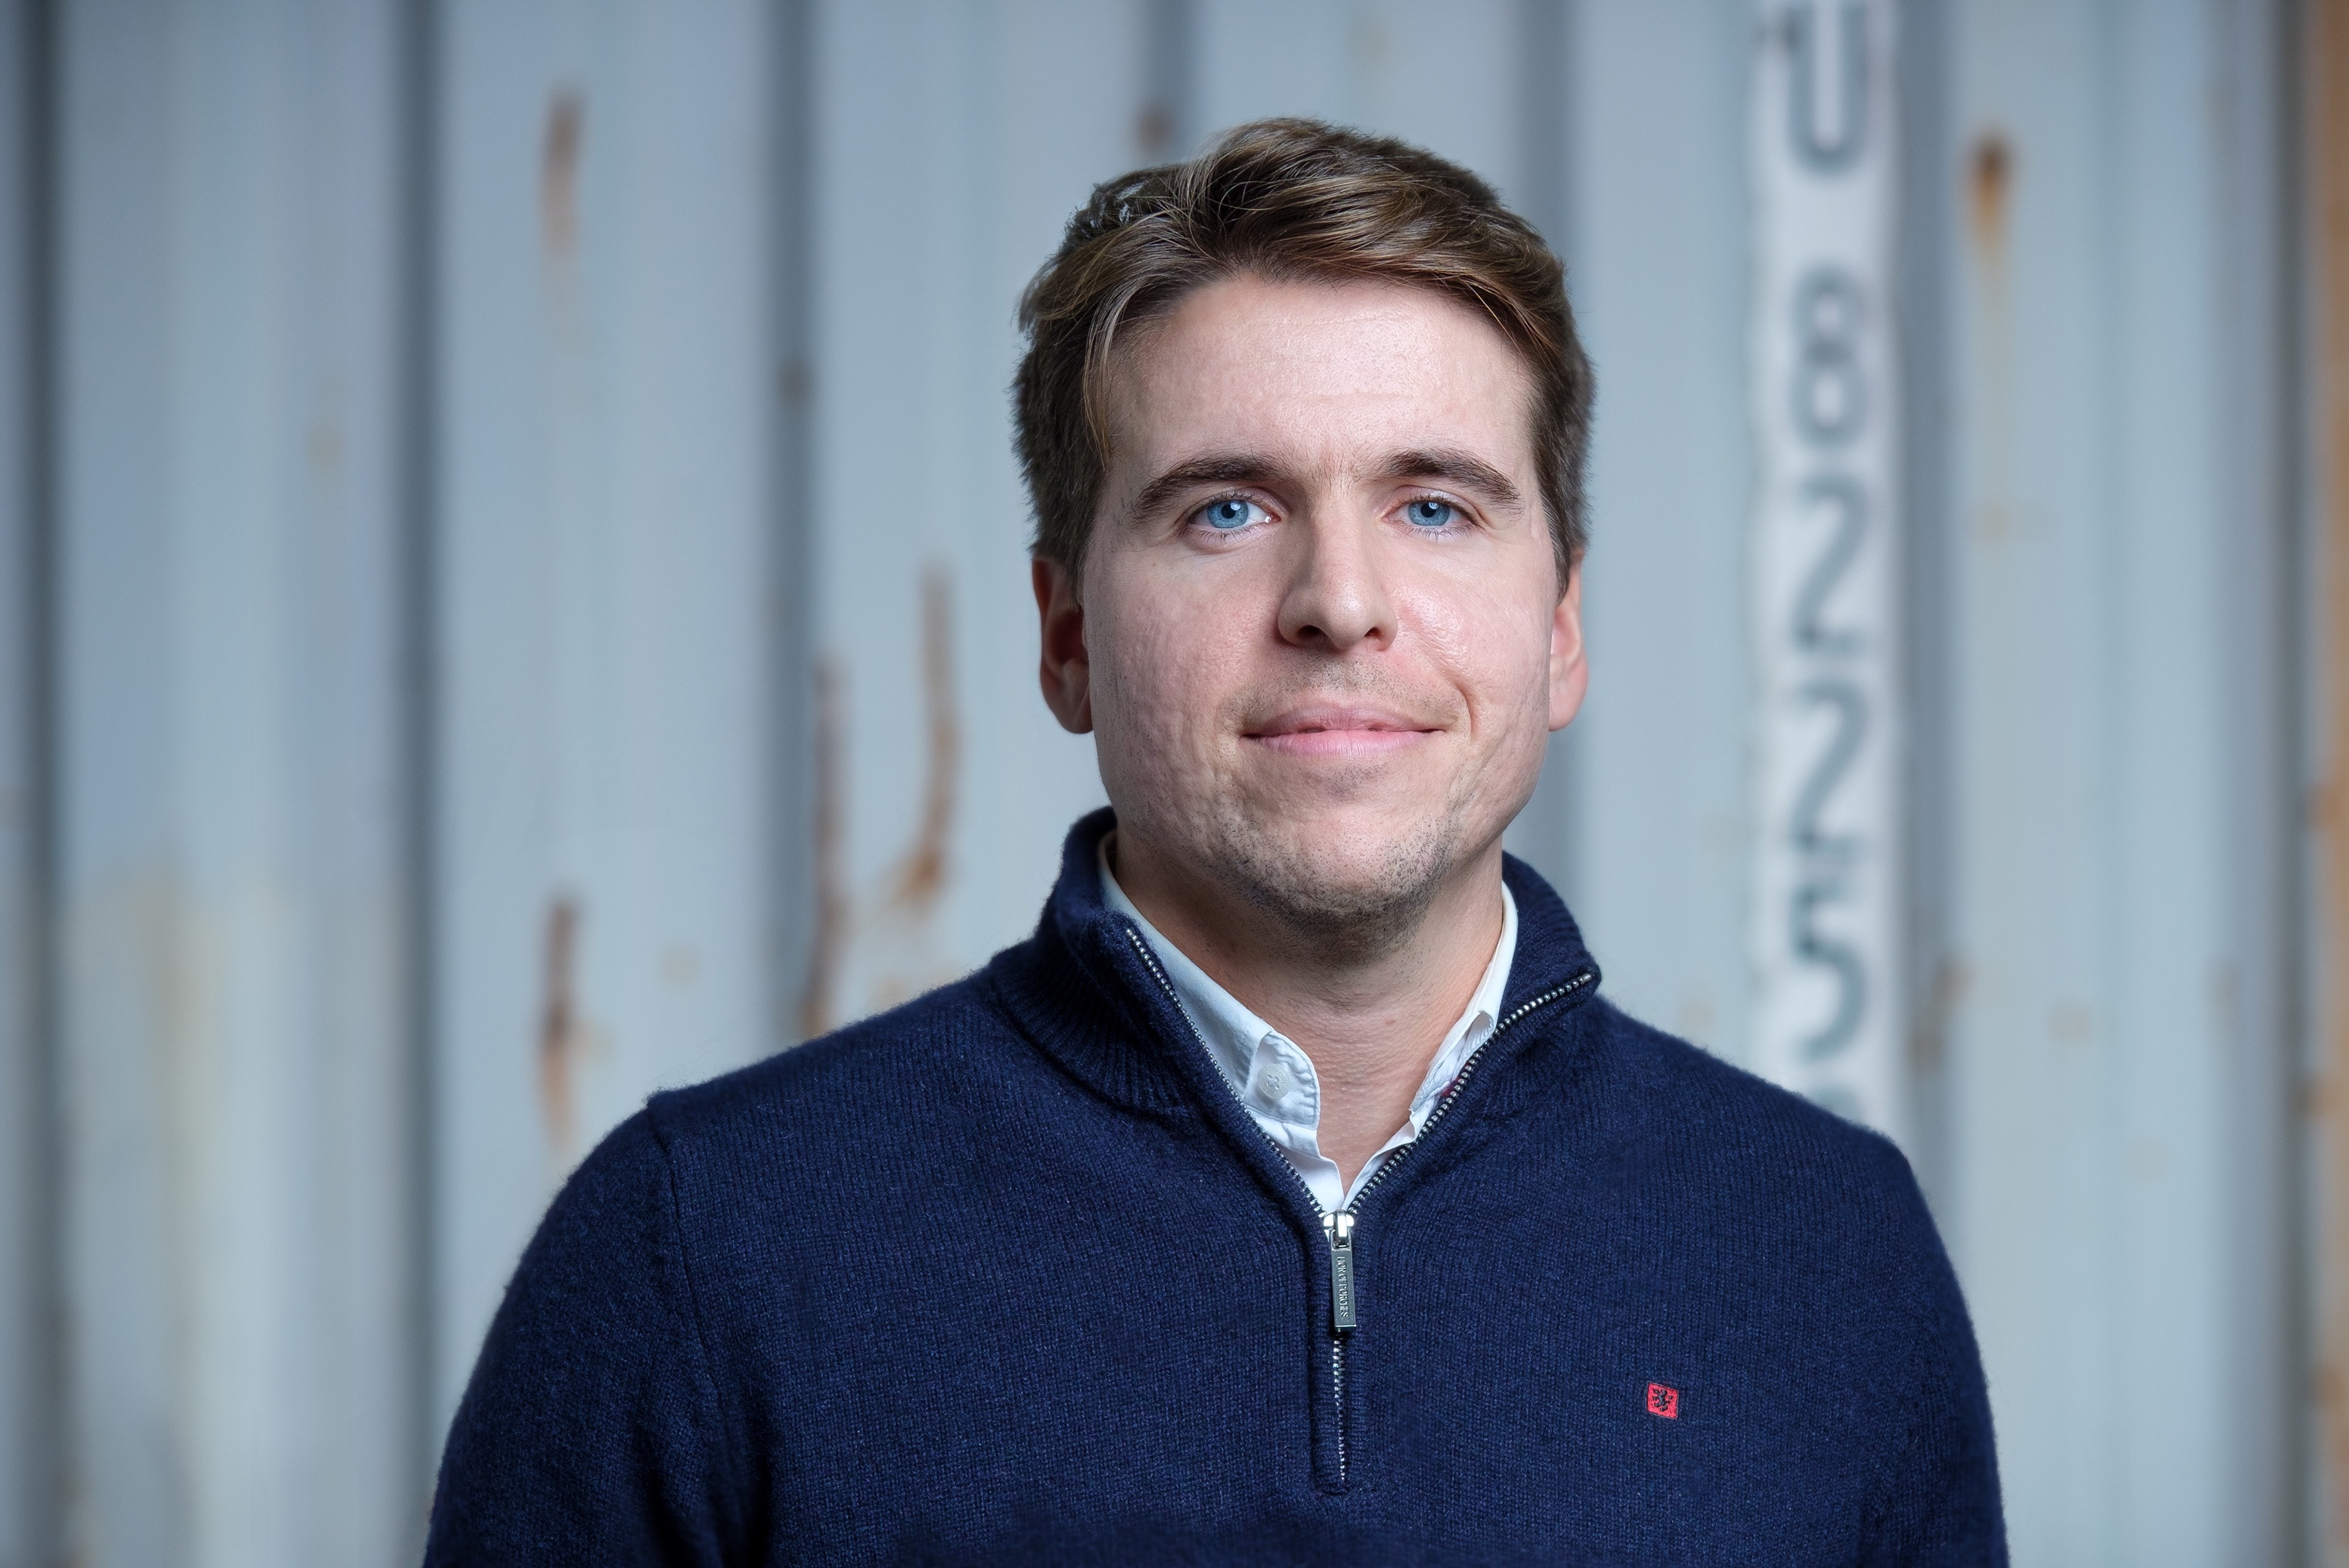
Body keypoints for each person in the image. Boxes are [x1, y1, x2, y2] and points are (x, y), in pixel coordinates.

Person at [425, 118, 2004, 1565]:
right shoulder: (701, 1248)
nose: (1340, 602)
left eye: (1435, 506)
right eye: (1227, 510)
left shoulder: (1825, 1249)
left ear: (1563, 629)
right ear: (1066, 638)